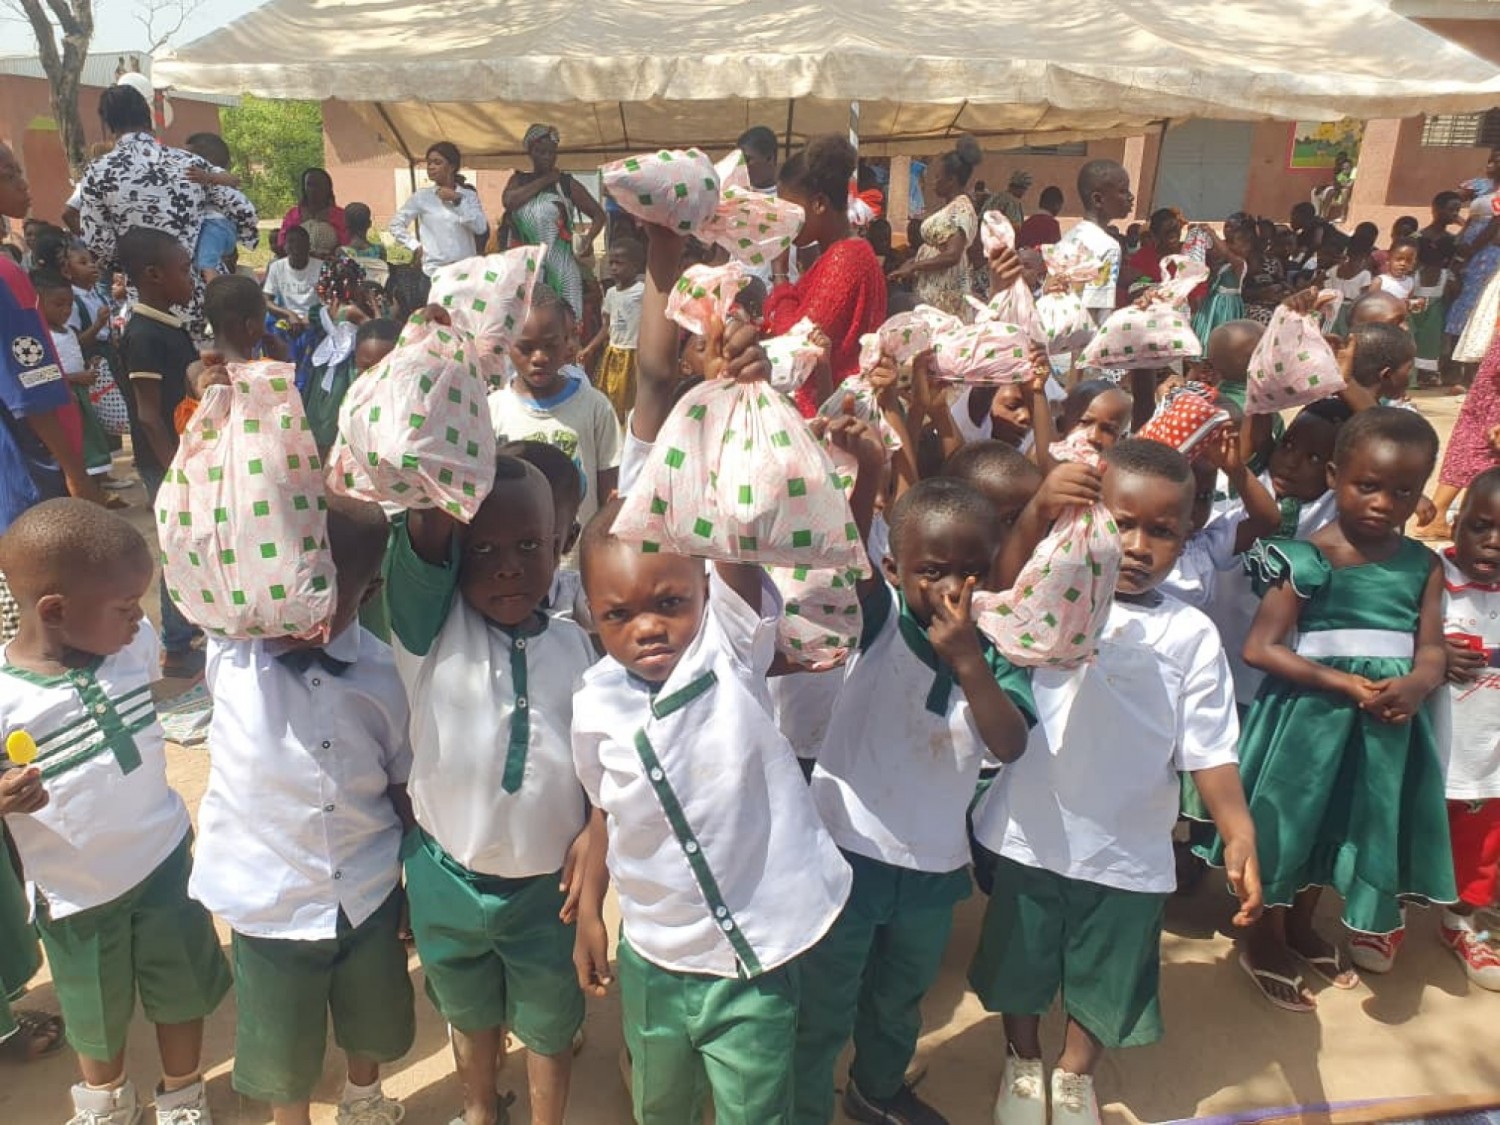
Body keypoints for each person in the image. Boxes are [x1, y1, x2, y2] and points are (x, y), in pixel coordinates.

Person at [973, 439, 1261, 1123]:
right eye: (1120, 522)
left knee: (1110, 968)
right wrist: (1038, 509)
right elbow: (1001, 591)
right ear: (1090, 517)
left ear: (1187, 534)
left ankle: (1074, 1075)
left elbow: (1209, 746)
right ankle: (1022, 1059)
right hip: (1032, 828)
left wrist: (1237, 826)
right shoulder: (1055, 590)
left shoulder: (1190, 633)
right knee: (1023, 954)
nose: (1136, 545)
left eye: (1160, 530)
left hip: (1129, 842)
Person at [795, 477, 1035, 1125]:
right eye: (932, 571)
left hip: (933, 866)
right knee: (826, 995)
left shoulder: (996, 645)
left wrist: (969, 662)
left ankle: (875, 1087)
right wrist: (869, 466)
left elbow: (1009, 741)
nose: (954, 589)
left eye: (971, 571)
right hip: (847, 854)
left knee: (900, 996)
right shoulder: (880, 620)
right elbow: (844, 550)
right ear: (896, 569)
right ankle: (803, 1103)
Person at [0, 499, 231, 1125]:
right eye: (125, 609)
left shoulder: (131, 646)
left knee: (180, 990)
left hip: (161, 866)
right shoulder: (6, 696)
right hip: (76, 896)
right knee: (92, 1015)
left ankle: (183, 1093)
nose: (141, 621)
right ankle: (106, 1104)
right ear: (55, 611)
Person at [1214, 408, 1453, 1010]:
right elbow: (1260, 647)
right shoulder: (1306, 556)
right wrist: (1343, 684)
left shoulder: (1423, 565)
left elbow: (1431, 648)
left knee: (1342, 822)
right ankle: (1263, 940)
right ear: (1335, 474)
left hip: (1385, 724)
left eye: (1402, 491)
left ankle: (1301, 926)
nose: (1381, 502)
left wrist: (1420, 685)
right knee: (1288, 825)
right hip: (1307, 721)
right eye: (1366, 485)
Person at [190, 496, 414, 1125]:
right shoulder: (231, 652)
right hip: (269, 900)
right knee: (280, 1038)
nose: (302, 606)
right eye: (289, 584)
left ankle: (364, 1099)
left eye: (326, 592)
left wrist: (414, 876)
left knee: (371, 1015)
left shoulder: (382, 673)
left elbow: (400, 780)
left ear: (368, 593)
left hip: (366, 891)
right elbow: (196, 541)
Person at [389, 454, 595, 1125]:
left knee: (548, 1023)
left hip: (548, 892)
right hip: (447, 874)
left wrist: (599, 831)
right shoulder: (432, 632)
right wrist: (436, 464)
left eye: (529, 545)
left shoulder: (580, 644)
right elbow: (420, 545)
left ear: (561, 543)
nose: (507, 564)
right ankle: (479, 1107)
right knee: (468, 1011)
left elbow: (606, 759)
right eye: (482, 548)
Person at [78, 86, 258, 338]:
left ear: (108, 124)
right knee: (212, 372)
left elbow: (97, 242)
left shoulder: (99, 171)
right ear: (148, 117)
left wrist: (134, 265)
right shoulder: (189, 163)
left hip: (146, 302)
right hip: (201, 297)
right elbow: (244, 210)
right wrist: (222, 244)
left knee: (154, 373)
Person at [1424, 468, 1500, 989]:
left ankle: (1460, 922)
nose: (1492, 542)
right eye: (1480, 525)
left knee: (1479, 850)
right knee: (1410, 835)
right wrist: (1428, 651)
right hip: (1427, 754)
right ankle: (1386, 919)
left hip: (1487, 759)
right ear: (1456, 524)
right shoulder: (1432, 581)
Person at [117, 225, 203, 677]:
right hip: (165, 460)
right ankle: (175, 643)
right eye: (184, 270)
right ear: (153, 274)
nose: (191, 279)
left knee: (188, 544)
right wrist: (175, 474)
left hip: (179, 453)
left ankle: (187, 629)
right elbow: (148, 414)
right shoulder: (145, 334)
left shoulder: (168, 325)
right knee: (178, 547)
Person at [766, 136, 888, 415]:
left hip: (833, 413)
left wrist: (780, 274)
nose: (783, 220)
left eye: (790, 210)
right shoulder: (839, 254)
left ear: (819, 204)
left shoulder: (845, 258)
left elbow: (795, 346)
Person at [488, 289, 622, 533]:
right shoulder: (494, 410)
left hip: (579, 559)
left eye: (550, 345)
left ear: (568, 343)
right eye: (526, 348)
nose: (539, 357)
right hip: (516, 557)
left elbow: (610, 491)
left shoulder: (595, 407)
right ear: (508, 345)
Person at [502, 125, 606, 317]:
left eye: (551, 152)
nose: (547, 157)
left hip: (561, 268)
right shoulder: (519, 180)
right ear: (530, 152)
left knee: (566, 322)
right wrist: (546, 179)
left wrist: (589, 239)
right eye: (541, 152)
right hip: (525, 268)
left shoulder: (567, 184)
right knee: (525, 323)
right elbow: (509, 201)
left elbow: (599, 215)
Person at [1415, 321, 1500, 539]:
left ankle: (1438, 515)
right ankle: (1468, 521)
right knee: (1486, 454)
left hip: (1489, 387)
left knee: (1469, 445)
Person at [32, 272, 113, 491]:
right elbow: (44, 374)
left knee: (90, 439)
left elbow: (75, 347)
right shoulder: (41, 336)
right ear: (38, 303)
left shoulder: (66, 330)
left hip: (81, 394)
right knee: (77, 445)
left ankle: (97, 486)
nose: (66, 311)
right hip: (65, 395)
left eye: (69, 305)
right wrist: (76, 377)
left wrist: (88, 364)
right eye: (58, 304)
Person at [889, 136, 982, 318]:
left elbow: (952, 255)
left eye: (938, 177)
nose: (933, 182)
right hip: (934, 286)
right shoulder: (951, 208)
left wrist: (916, 266)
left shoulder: (960, 209)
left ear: (951, 180)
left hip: (945, 289)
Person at [388, 142, 488, 279]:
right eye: (429, 163)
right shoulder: (422, 197)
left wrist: (458, 201)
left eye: (437, 162)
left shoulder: (468, 196)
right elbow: (395, 224)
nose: (431, 167)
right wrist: (414, 245)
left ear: (452, 167)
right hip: (434, 272)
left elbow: (480, 228)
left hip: (465, 272)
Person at [1058, 160, 1134, 326]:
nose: (1131, 197)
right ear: (1098, 199)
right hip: (1085, 344)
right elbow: (1098, 310)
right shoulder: (1108, 247)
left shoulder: (1069, 238)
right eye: (1123, 191)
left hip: (1060, 340)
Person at [581, 239, 645, 421]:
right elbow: (606, 327)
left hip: (634, 354)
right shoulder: (610, 294)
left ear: (635, 266)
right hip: (614, 354)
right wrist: (590, 348)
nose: (614, 268)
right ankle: (614, 430)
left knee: (632, 398)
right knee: (611, 395)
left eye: (619, 263)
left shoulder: (642, 291)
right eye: (611, 263)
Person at [182, 132, 250, 281]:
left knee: (207, 262)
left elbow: (234, 180)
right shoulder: (196, 176)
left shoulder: (213, 172)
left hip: (216, 225)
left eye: (188, 155)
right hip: (217, 227)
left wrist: (209, 178)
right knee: (206, 259)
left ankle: (214, 288)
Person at [1410, 233, 1458, 387]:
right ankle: (1427, 375)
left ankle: (1415, 376)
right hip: (1435, 318)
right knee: (1432, 345)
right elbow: (1453, 294)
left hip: (1414, 315)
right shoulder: (1447, 276)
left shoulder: (1414, 275)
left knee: (1414, 343)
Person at [277, 168, 347, 257]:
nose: (313, 189)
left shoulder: (341, 216)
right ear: (304, 187)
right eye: (309, 185)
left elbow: (348, 246)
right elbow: (282, 243)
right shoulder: (293, 215)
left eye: (318, 185)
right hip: (298, 265)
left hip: (331, 265)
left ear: (328, 188)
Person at [263, 225, 322, 328]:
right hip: (286, 320)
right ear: (285, 246)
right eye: (291, 242)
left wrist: (311, 316)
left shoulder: (321, 267)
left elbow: (330, 302)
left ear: (309, 246)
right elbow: (266, 301)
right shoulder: (276, 267)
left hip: (315, 320)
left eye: (301, 243)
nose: (296, 247)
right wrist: (288, 314)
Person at [1122, 207, 1183, 298]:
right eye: (1167, 232)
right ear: (1154, 235)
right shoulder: (1143, 257)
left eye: (1175, 230)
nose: (1173, 236)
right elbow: (1135, 287)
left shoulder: (1190, 255)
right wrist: (1153, 283)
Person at [1373, 237, 1419, 305]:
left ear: (1413, 264)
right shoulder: (1380, 281)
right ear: (1388, 259)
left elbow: (1408, 304)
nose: (1403, 264)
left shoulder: (1410, 282)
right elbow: (1370, 304)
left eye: (1409, 261)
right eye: (1399, 259)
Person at [737, 125, 780, 191]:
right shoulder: (734, 192)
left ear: (769, 158)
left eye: (747, 160)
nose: (740, 166)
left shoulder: (788, 197)